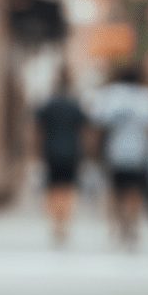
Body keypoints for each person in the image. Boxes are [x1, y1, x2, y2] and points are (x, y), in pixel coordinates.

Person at [91, 64, 148, 247]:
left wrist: (95, 151)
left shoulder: (110, 95)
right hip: (139, 153)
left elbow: (98, 124)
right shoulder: (147, 97)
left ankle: (120, 223)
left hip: (114, 152)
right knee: (135, 190)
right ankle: (132, 223)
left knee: (115, 190)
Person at [34, 65, 87, 245]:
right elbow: (84, 130)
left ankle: (56, 223)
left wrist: (35, 151)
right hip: (72, 151)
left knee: (53, 187)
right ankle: (64, 221)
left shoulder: (48, 104)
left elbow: (37, 129)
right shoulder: (75, 104)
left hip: (51, 150)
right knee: (69, 188)